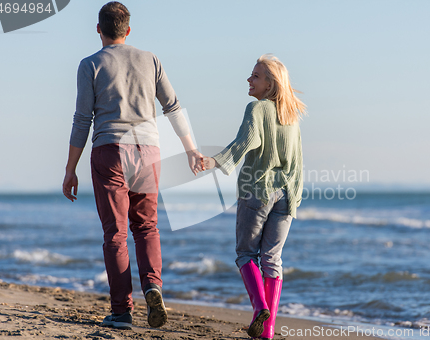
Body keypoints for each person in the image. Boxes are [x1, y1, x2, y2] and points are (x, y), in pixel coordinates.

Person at [62, 1, 203, 330]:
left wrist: (70, 168)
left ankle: (122, 311)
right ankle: (153, 286)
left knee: (116, 234)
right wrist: (191, 150)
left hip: (110, 150)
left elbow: (83, 119)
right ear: (128, 31)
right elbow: (173, 107)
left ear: (99, 29)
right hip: (148, 150)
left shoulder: (90, 65)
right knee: (147, 228)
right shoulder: (150, 59)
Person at [201, 54, 306, 339]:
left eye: (255, 76)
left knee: (246, 254)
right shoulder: (292, 116)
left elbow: (245, 141)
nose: (249, 80)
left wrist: (215, 161)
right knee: (273, 259)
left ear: (270, 84)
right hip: (286, 193)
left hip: (256, 189)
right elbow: (297, 163)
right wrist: (292, 197)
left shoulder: (257, 109)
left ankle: (260, 307)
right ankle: (268, 331)